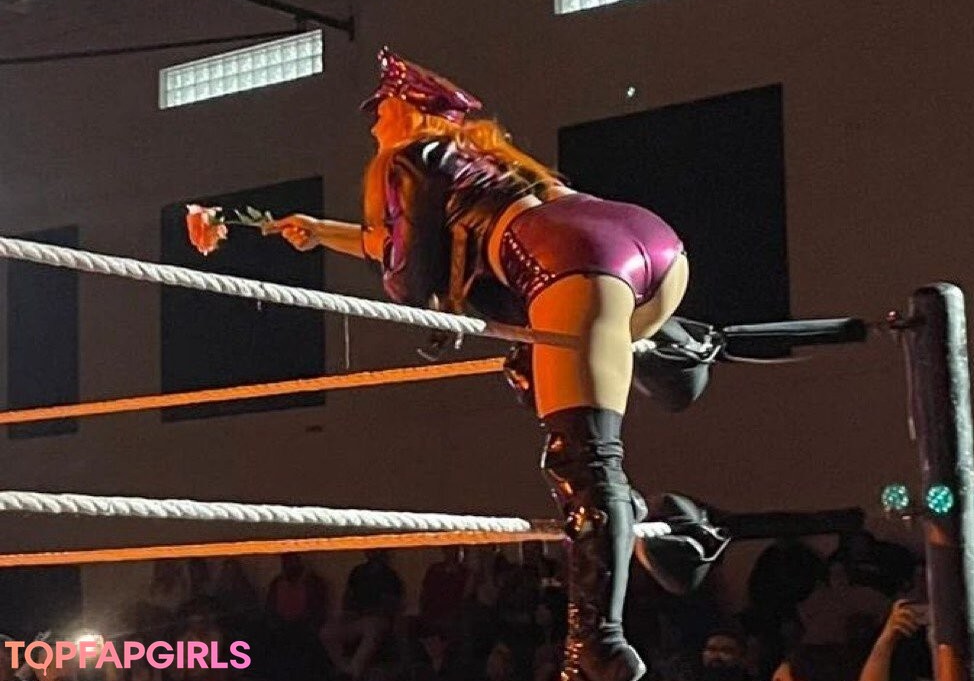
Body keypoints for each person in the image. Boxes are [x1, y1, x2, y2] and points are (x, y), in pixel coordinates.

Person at [266, 48, 724, 681]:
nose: (373, 125)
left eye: (382, 110)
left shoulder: (407, 158)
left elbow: (410, 276)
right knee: (535, 365)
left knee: (583, 460)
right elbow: (429, 236)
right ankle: (677, 361)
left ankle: (597, 645)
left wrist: (417, 299)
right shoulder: (483, 159)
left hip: (572, 264)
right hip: (643, 243)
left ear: (410, 112)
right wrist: (322, 232)